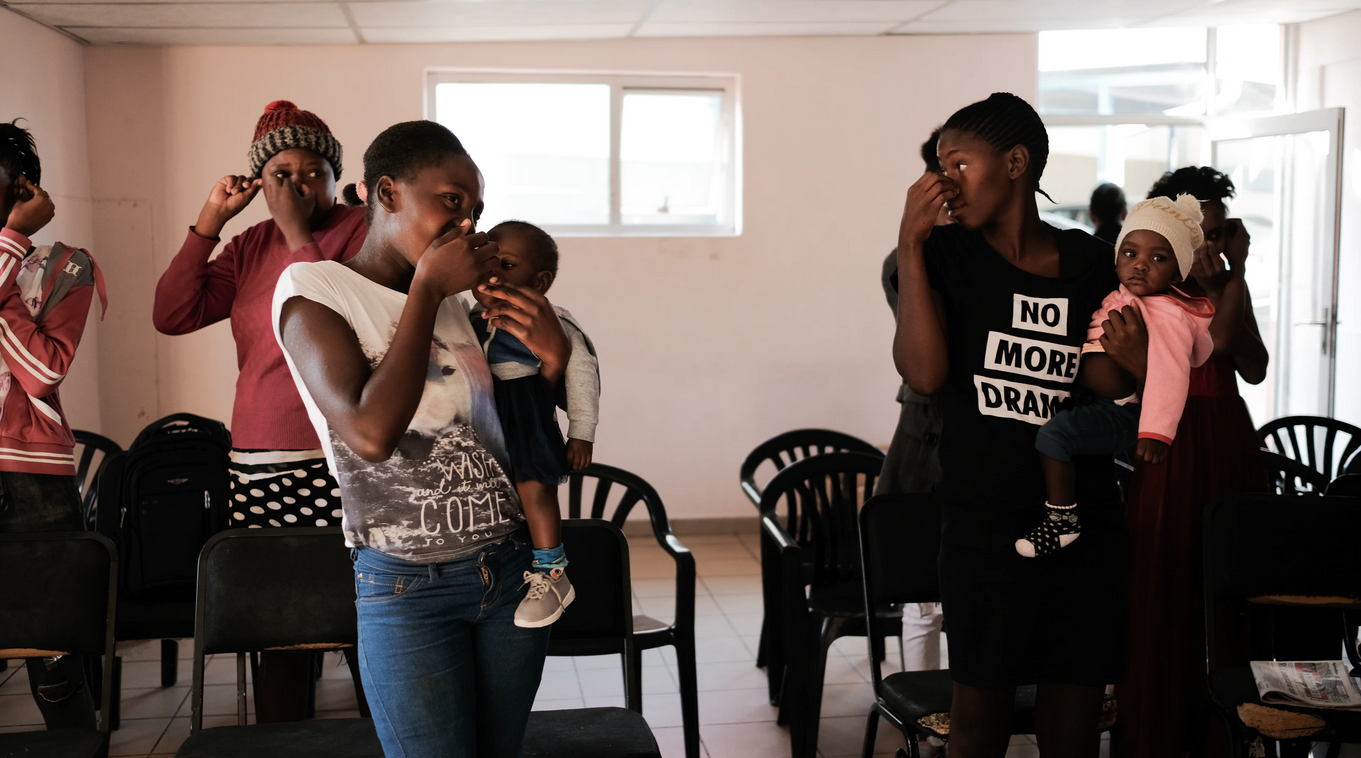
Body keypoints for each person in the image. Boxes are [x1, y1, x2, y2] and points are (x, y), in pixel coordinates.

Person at [274, 120, 565, 757]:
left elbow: (519, 435)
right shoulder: (315, 290)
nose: (468, 223)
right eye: (452, 200)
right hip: (406, 587)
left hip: (511, 571)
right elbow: (370, 434)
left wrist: (552, 366)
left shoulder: (468, 305)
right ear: (387, 193)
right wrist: (429, 288)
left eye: (477, 209)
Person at [893, 93, 1141, 758]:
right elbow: (922, 373)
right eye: (939, 165)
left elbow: (1102, 382)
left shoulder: (1090, 261)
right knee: (978, 720)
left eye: (957, 162)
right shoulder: (942, 257)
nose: (942, 180)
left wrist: (1133, 362)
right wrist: (909, 246)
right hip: (983, 526)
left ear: (1014, 162)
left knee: (1073, 719)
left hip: (1082, 521)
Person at [152, 100, 365, 722]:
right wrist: (210, 221)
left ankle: (383, 738)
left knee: (365, 619)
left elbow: (336, 316)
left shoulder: (361, 232)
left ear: (334, 172)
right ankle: (284, 738)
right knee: (283, 619)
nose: (298, 183)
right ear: (259, 181)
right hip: (262, 460)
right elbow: (173, 314)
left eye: (312, 170)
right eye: (281, 172)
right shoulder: (248, 246)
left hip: (346, 453)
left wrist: (299, 234)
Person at [1115, 167, 1276, 758]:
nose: (1204, 248)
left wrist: (1235, 279)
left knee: (1230, 582)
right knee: (1165, 581)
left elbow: (1253, 365)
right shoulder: (1147, 283)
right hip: (1171, 436)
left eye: (1214, 234)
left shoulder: (1222, 283)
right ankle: (1158, 734)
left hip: (1228, 436)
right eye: (1196, 235)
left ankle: (1228, 736)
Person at [1016, 195, 1215, 558]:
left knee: (1053, 438)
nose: (1140, 265)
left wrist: (1156, 433)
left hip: (1125, 412)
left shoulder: (1169, 315)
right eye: (1130, 253)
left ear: (1176, 272)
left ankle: (1062, 520)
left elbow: (1171, 376)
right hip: (1101, 400)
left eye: (1158, 258)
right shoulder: (1122, 294)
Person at [0, 119, 107, 730]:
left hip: (35, 477)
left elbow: (42, 373)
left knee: (56, 659)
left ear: (21, 191)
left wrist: (10, 252)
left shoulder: (67, 265)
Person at [470, 220, 598, 628]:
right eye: (486, 262)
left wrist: (581, 431)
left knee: (534, 488)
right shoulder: (464, 315)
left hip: (523, 404)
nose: (491, 274)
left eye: (506, 265)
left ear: (540, 281)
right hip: (481, 411)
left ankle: (552, 572)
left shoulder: (554, 320)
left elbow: (582, 374)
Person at [877, 130, 949, 705]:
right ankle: (923, 717)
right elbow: (929, 363)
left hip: (986, 439)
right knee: (923, 597)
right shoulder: (906, 261)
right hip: (926, 438)